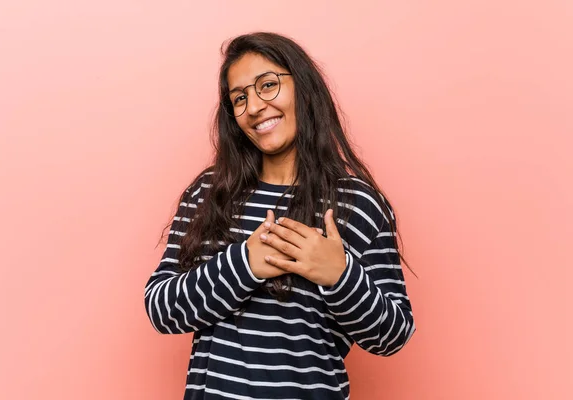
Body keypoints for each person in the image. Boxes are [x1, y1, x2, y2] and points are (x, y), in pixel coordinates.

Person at [144, 31, 416, 400]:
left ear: (303, 88)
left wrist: (340, 275)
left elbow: (393, 335)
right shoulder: (208, 195)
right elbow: (161, 308)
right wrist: (246, 263)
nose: (253, 107)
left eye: (267, 85)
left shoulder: (357, 204)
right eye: (239, 98)